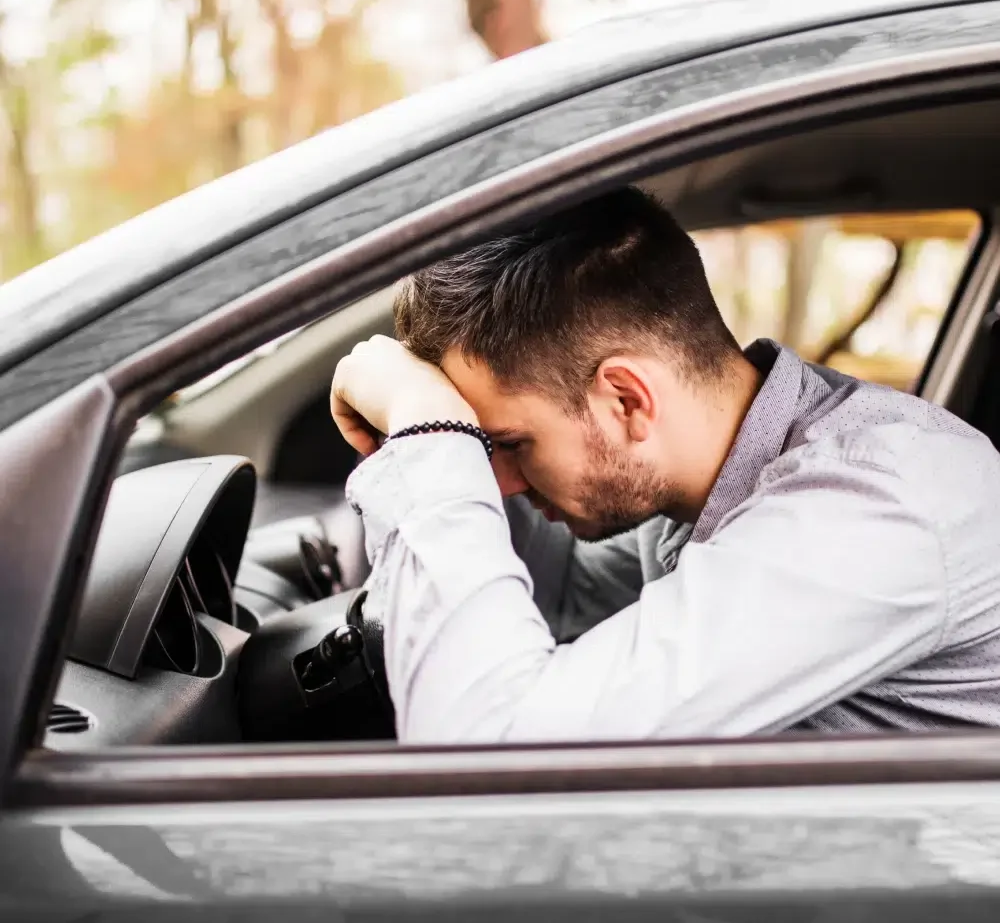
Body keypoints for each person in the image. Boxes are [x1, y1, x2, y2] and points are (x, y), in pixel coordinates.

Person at [330, 186, 1000, 743]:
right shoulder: (709, 479)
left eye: (507, 444)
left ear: (626, 400)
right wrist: (434, 433)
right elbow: (564, 598)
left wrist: (432, 434)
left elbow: (491, 754)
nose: (497, 484)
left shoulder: (874, 507)